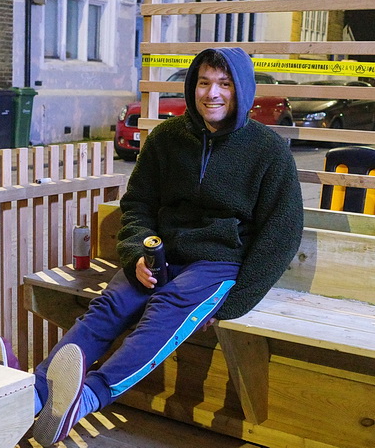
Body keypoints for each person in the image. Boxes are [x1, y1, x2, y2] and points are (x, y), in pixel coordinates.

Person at [31, 48, 303, 446]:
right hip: (160, 253)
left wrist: (231, 304)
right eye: (204, 82)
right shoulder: (166, 139)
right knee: (110, 305)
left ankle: (88, 397)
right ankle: (38, 394)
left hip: (217, 262)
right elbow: (138, 203)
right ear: (193, 86)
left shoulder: (268, 151)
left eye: (224, 84)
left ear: (241, 90)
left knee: (163, 311)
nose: (212, 94)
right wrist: (136, 253)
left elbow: (281, 234)